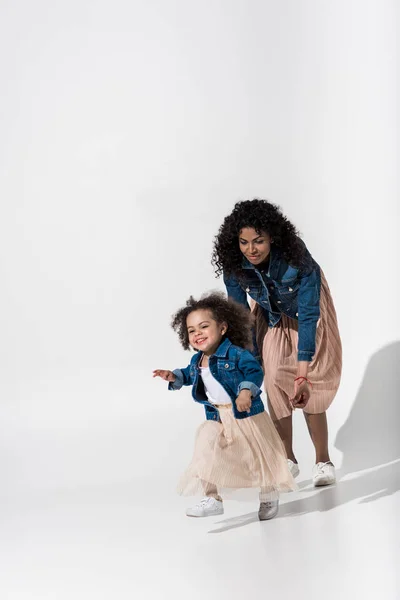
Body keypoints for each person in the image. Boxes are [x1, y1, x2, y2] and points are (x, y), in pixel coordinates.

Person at [212, 199, 342, 486]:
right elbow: (240, 314)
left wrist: (302, 373)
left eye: (258, 241)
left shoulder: (297, 259)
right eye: (244, 242)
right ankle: (288, 459)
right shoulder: (235, 264)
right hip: (271, 315)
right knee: (273, 380)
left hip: (307, 312)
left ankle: (323, 460)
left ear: (272, 237)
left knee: (311, 385)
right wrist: (251, 362)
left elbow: (309, 315)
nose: (251, 249)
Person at [153, 292, 296, 520]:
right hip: (218, 416)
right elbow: (191, 375)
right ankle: (212, 498)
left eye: (203, 326)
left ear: (222, 328)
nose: (197, 333)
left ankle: (268, 492)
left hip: (246, 415)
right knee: (205, 445)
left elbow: (255, 371)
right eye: (191, 330)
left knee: (257, 456)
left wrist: (245, 392)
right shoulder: (197, 361)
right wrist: (174, 376)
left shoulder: (236, 354)